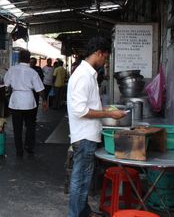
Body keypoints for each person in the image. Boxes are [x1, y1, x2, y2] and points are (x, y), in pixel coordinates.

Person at [67, 37, 127, 217]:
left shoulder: (88, 74)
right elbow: (80, 111)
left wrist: (106, 109)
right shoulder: (83, 76)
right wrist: (108, 114)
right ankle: (76, 214)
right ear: (99, 53)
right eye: (105, 58)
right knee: (80, 179)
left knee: (85, 178)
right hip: (84, 136)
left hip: (88, 134)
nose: (105, 62)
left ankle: (84, 212)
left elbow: (88, 105)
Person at [5, 50, 47, 157]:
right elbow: (40, 89)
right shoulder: (33, 72)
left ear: (19, 58)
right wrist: (45, 101)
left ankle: (19, 151)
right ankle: (29, 146)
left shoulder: (12, 70)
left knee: (17, 127)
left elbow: (6, 83)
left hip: (16, 102)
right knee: (30, 126)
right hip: (29, 102)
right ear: (29, 59)